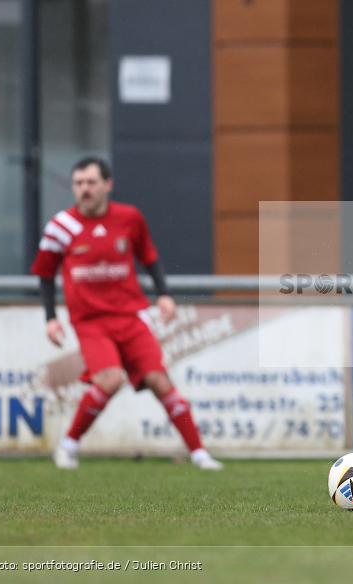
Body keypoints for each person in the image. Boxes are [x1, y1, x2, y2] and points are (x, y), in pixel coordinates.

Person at [32, 157, 223, 470]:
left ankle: (200, 454)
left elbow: (149, 256)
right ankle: (67, 446)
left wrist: (163, 295)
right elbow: (44, 273)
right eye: (79, 183)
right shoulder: (61, 227)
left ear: (108, 185)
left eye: (91, 182)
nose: (84, 189)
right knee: (109, 379)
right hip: (91, 322)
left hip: (131, 317)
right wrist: (50, 318)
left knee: (160, 380)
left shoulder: (129, 218)